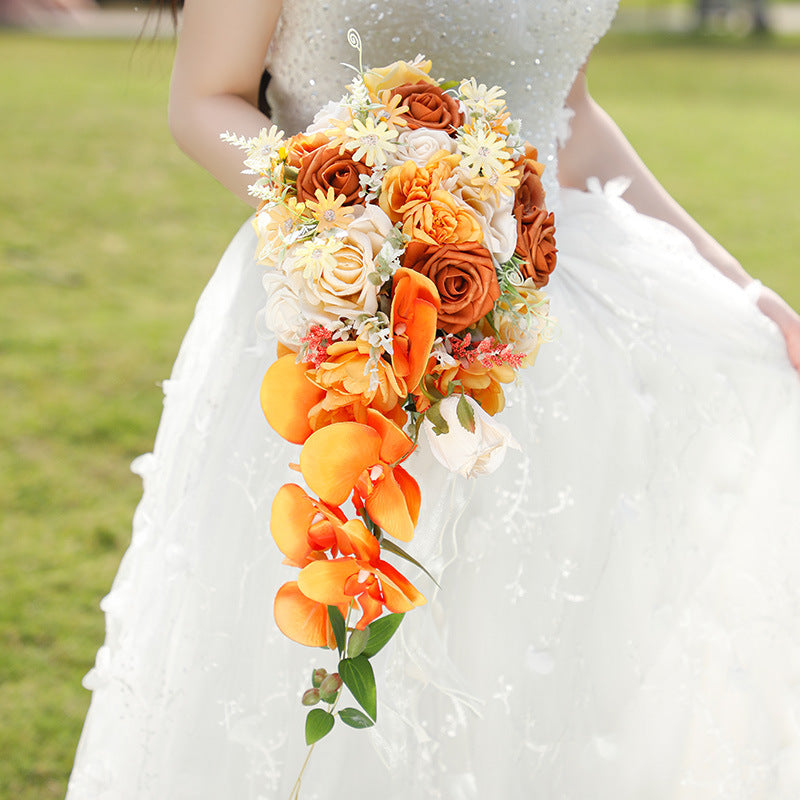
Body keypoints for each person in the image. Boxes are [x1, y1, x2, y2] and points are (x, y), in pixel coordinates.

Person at [66, 1, 800, 798]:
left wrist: (740, 286)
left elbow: (570, 117)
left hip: (560, 332)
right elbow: (204, 99)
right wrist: (361, 228)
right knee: (362, 646)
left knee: (539, 668)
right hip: (343, 318)